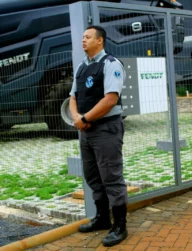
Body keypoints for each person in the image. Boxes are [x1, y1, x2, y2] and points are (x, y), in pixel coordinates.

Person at [69, 25, 128, 247]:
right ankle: (103, 218)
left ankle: (120, 226)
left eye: (87, 37)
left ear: (100, 41)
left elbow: (110, 99)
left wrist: (84, 119)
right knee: (92, 176)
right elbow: (73, 96)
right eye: (82, 37)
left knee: (111, 177)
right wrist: (77, 117)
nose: (83, 40)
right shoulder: (82, 67)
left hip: (106, 129)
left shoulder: (111, 64)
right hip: (86, 130)